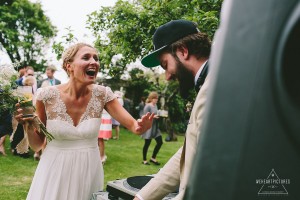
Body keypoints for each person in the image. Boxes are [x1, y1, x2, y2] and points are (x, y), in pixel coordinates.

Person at [15, 43, 154, 200]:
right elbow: (37, 145)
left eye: (96, 58)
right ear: (69, 66)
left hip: (88, 169)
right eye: (86, 57)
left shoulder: (104, 94)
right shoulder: (45, 96)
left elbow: (134, 126)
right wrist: (27, 125)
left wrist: (141, 127)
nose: (94, 62)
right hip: (53, 168)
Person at [134, 19, 211, 200]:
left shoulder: (217, 89)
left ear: (183, 51)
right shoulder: (208, 83)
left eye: (165, 65)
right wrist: (143, 197)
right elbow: (189, 151)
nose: (167, 77)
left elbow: (213, 174)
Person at [141, 92, 163, 165]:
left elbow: (155, 113)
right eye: (155, 98)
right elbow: (145, 116)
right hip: (149, 127)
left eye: (157, 98)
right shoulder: (148, 106)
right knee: (147, 143)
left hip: (155, 127)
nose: (156, 100)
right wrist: (153, 117)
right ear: (151, 98)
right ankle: (144, 160)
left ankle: (153, 158)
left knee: (160, 142)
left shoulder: (155, 105)